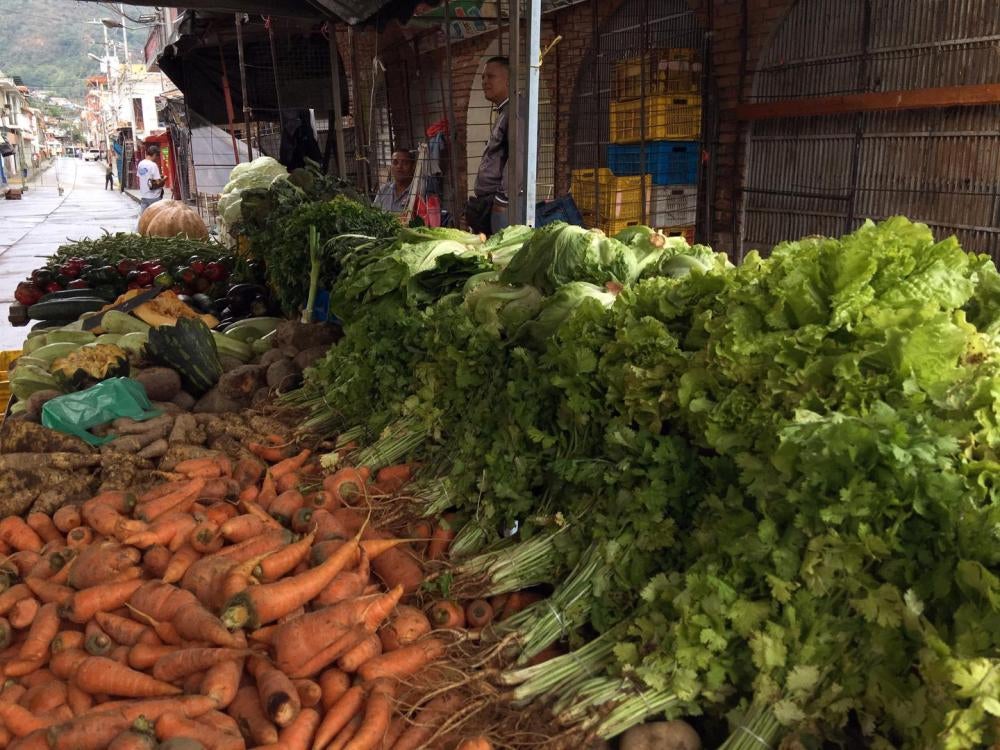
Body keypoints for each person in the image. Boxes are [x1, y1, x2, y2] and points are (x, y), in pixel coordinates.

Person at [467, 56, 513, 236]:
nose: (485, 82)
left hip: (500, 205)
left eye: (491, 77)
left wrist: (501, 200)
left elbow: (518, 159)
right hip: (490, 202)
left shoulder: (515, 113)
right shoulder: (504, 111)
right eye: (483, 78)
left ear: (508, 80)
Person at [374, 149, 416, 214]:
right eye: (395, 162)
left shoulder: (417, 192)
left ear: (413, 167)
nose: (399, 166)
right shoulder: (383, 190)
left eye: (405, 163)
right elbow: (374, 216)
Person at [136, 144, 166, 216]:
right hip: (154, 196)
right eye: (156, 156)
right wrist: (164, 179)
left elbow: (141, 176)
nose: (156, 158)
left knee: (143, 218)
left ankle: (140, 228)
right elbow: (158, 181)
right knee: (157, 218)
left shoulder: (141, 163)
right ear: (154, 154)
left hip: (144, 195)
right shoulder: (153, 165)